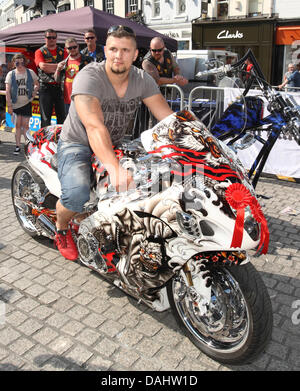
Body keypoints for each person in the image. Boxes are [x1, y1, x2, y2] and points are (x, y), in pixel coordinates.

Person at [55, 25, 173, 261]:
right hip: (77, 143)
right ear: (106, 50)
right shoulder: (89, 76)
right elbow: (94, 126)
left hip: (115, 143)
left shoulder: (142, 79)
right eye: (113, 49)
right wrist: (115, 168)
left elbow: (169, 118)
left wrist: (204, 141)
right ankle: (61, 227)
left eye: (125, 50)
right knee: (77, 195)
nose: (118, 55)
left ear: (135, 54)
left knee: (148, 185)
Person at [5, 53, 39, 154]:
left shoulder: (30, 72)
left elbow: (37, 84)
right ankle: (17, 146)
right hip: (15, 104)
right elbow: (7, 91)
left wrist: (34, 92)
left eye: (21, 62)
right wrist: (9, 106)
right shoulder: (11, 74)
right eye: (17, 62)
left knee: (26, 126)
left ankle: (28, 146)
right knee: (17, 126)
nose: (19, 64)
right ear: (14, 63)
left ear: (24, 62)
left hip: (26, 103)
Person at [35, 29, 67, 128]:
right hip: (45, 88)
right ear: (45, 38)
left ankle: (61, 140)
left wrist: (50, 67)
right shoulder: (39, 51)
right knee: (45, 118)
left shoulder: (63, 51)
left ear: (57, 38)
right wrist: (59, 67)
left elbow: (66, 66)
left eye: (54, 37)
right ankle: (44, 142)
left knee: (62, 117)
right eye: (49, 37)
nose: (51, 39)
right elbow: (43, 67)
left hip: (60, 88)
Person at [54, 38, 92, 115]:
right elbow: (57, 80)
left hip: (82, 98)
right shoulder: (64, 62)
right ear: (66, 49)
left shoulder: (87, 60)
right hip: (67, 99)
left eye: (74, 47)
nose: (73, 49)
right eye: (70, 48)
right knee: (70, 124)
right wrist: (58, 69)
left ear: (78, 46)